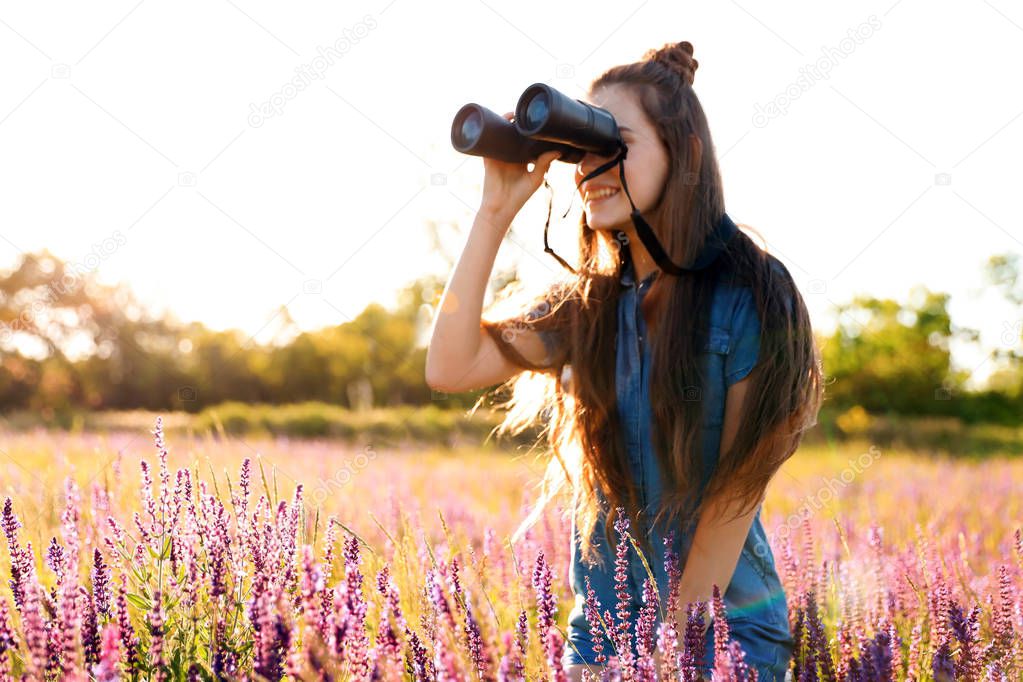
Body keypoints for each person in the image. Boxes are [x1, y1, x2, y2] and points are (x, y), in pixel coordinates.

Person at [425, 40, 821, 682]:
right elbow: (449, 365)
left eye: (616, 142)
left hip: (725, 634)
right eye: (583, 149)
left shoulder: (754, 292)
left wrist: (672, 656)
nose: (591, 168)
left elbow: (733, 497)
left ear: (683, 152)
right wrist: (494, 211)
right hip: (600, 636)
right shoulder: (584, 306)